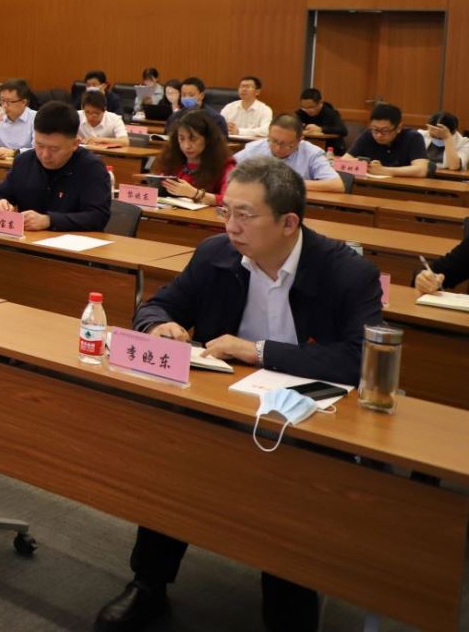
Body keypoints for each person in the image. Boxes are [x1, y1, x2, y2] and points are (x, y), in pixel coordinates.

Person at [95, 157, 382, 632]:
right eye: (225, 211)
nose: (231, 225)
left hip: (308, 413)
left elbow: (360, 358)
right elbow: (159, 304)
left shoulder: (347, 272)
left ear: (289, 223)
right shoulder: (216, 254)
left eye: (245, 215)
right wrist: (160, 325)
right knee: (175, 457)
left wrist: (259, 351)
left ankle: (290, 618)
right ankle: (149, 583)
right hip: (223, 399)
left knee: (288, 499)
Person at [0, 100, 111, 231]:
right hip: (28, 240)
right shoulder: (24, 161)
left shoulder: (91, 168)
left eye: (54, 149)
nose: (45, 155)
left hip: (71, 241)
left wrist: (49, 221)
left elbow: (98, 217)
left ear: (75, 144)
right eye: (39, 145)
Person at [237, 115, 344, 192]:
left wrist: (290, 183)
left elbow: (337, 185)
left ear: (299, 140)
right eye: (273, 141)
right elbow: (229, 168)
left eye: (285, 144)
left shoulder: (312, 153)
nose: (278, 148)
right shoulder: (255, 148)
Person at [152, 109, 234, 206]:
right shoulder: (172, 160)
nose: (187, 146)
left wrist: (194, 193)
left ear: (208, 139)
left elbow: (228, 200)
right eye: (182, 138)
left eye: (193, 139)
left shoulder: (225, 165)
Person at [348, 102, 428, 178]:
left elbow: (421, 170)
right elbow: (345, 161)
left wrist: (384, 170)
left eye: (385, 131)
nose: (379, 135)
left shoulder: (413, 138)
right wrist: (363, 164)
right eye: (375, 129)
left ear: (399, 128)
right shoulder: (367, 135)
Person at [162, 77, 227, 138]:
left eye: (191, 95)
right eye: (183, 95)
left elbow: (221, 142)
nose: (187, 98)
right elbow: (166, 137)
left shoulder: (215, 118)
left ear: (201, 96)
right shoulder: (175, 116)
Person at [296, 88, 348, 154]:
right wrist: (304, 127)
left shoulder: (330, 113)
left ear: (320, 103)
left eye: (311, 107)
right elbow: (291, 124)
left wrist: (321, 129)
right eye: (304, 107)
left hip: (331, 150)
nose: (308, 110)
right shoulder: (302, 112)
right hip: (308, 149)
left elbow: (343, 130)